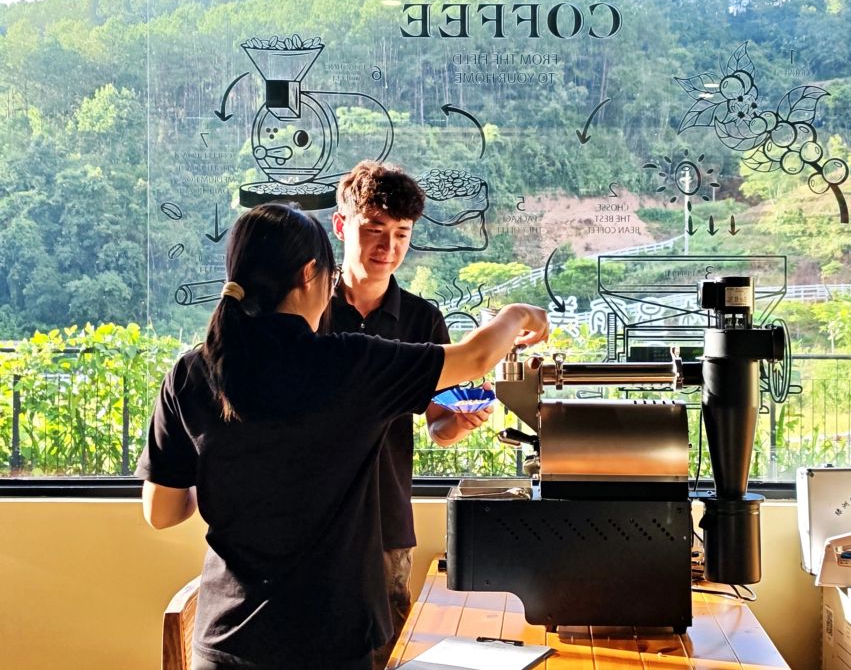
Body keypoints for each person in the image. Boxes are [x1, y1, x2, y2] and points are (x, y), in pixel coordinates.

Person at [136, 202, 548, 670]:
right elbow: (475, 358)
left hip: (226, 637)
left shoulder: (192, 371)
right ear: (309, 274)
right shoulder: (352, 363)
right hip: (331, 637)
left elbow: (162, 512)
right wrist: (517, 314)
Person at [324, 161, 493, 667]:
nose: (388, 246)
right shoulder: (308, 309)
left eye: (401, 234)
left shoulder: (422, 318)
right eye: (374, 229)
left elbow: (438, 423)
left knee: (387, 652)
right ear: (341, 225)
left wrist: (458, 421)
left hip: (387, 518)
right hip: (313, 516)